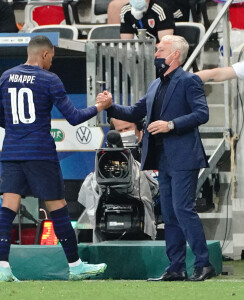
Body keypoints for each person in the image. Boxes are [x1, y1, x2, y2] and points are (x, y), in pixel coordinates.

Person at [0, 35, 112, 282]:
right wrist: (100, 107)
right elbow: (74, 117)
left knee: (7, 208)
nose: (51, 63)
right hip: (40, 153)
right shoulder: (49, 79)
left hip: (12, 152)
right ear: (45, 55)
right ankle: (75, 266)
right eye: (52, 58)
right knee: (57, 208)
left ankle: (3, 267)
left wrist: (18, 131)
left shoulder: (6, 76)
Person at [97, 35, 216, 281]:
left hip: (184, 157)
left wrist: (170, 125)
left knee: (183, 210)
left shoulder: (189, 80)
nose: (156, 53)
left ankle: (203, 264)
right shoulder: (155, 85)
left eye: (160, 50)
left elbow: (202, 114)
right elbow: (133, 112)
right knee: (170, 214)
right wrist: (109, 106)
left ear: (175, 55)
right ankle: (176, 267)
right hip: (162, 158)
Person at [77, 118, 158, 243]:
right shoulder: (105, 159)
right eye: (119, 130)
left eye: (127, 129)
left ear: (140, 130)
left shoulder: (155, 151)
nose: (124, 133)